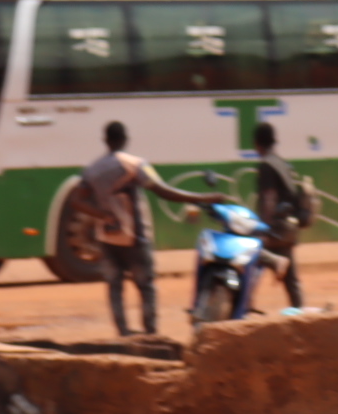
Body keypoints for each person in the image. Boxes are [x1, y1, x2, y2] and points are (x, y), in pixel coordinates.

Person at [73, 121, 214, 338]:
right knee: (145, 286)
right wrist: (202, 198)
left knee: (114, 286)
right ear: (125, 140)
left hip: (107, 236)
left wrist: (102, 215)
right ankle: (151, 334)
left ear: (106, 141)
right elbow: (164, 191)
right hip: (134, 237)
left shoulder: (92, 169)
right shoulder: (135, 164)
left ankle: (123, 333)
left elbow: (77, 201)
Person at [248, 122, 313, 310]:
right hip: (289, 228)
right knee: (291, 280)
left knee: (247, 251)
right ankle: (300, 313)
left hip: (276, 229)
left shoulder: (266, 165)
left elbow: (269, 199)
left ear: (256, 143)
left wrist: (264, 229)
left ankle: (245, 305)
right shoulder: (281, 163)